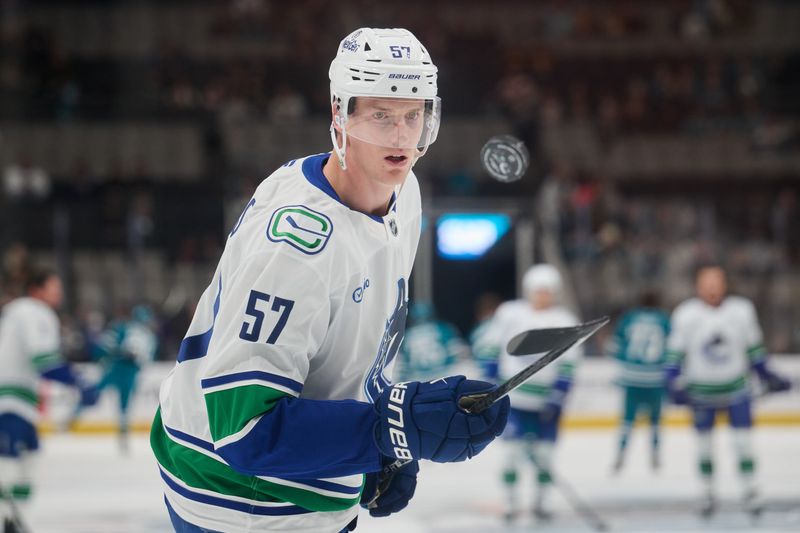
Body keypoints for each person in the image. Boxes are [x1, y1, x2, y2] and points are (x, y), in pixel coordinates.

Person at [150, 28, 509, 533]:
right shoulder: (294, 247)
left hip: (305, 477)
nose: (401, 136)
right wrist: (391, 429)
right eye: (380, 115)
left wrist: (375, 446)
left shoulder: (405, 196)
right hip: (238, 497)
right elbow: (245, 429)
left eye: (414, 115)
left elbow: (355, 349)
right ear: (340, 114)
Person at [665, 264, 791, 517]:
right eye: (706, 282)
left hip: (736, 390)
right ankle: (707, 494)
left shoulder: (741, 311)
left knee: (743, 444)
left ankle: (750, 492)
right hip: (700, 393)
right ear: (698, 286)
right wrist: (672, 383)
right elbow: (674, 357)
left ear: (724, 284)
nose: (712, 287)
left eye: (716, 281)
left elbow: (754, 351)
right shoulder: (686, 314)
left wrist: (768, 375)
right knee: (704, 446)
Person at [477, 264, 582, 522]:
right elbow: (489, 347)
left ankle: (541, 502)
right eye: (538, 291)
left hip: (545, 402)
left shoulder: (564, 321)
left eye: (547, 291)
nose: (542, 296)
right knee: (512, 454)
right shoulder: (510, 313)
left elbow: (569, 363)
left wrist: (559, 394)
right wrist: (492, 384)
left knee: (545, 455)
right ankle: (511, 502)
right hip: (514, 400)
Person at [0, 268, 98, 532]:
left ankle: (12, 520)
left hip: (16, 399)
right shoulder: (34, 311)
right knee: (10, 463)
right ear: (36, 290)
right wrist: (79, 381)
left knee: (27, 459)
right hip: (10, 401)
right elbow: (44, 362)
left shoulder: (16, 311)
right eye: (54, 288)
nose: (59, 293)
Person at [608, 290, 670, 473]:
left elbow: (615, 347)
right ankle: (655, 456)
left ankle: (620, 455)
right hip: (656, 379)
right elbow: (673, 348)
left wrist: (623, 364)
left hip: (632, 378)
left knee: (627, 422)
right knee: (656, 422)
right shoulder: (664, 320)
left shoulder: (629, 318)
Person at [93, 305, 158, 453]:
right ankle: (72, 417)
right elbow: (105, 345)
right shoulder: (125, 328)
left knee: (124, 405)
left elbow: (147, 357)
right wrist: (115, 353)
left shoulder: (147, 335)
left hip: (128, 371)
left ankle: (123, 434)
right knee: (95, 393)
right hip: (118, 368)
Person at [396, 302, 470, 382]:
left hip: (418, 380)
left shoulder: (407, 335)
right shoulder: (442, 328)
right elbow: (460, 352)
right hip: (445, 374)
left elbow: (402, 364)